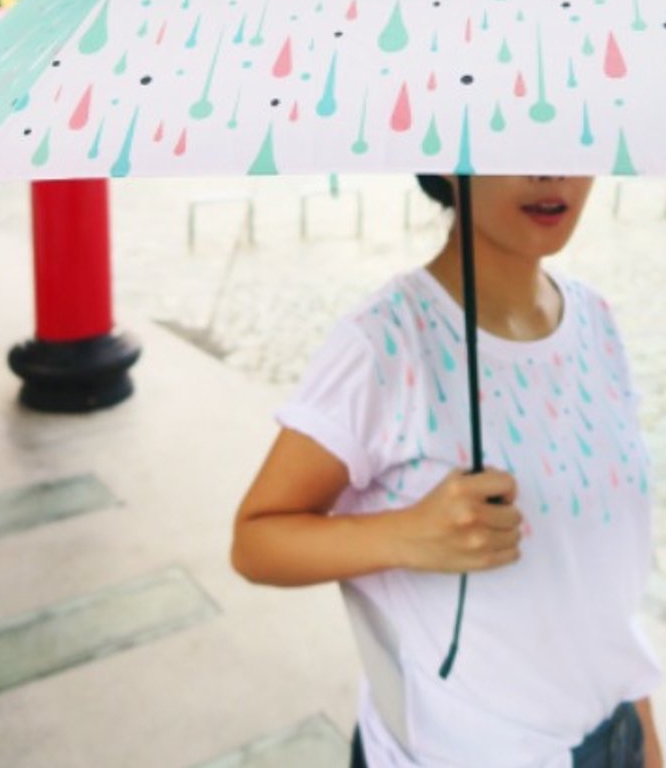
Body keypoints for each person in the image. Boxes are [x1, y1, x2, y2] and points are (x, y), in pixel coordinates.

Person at [232, 175, 663, 767]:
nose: (551, 171)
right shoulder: (384, 342)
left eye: (570, 137)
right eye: (509, 140)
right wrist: (405, 535)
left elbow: (601, 574)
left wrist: (642, 730)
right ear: (446, 159)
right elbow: (256, 540)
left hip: (613, 737)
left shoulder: (596, 319)